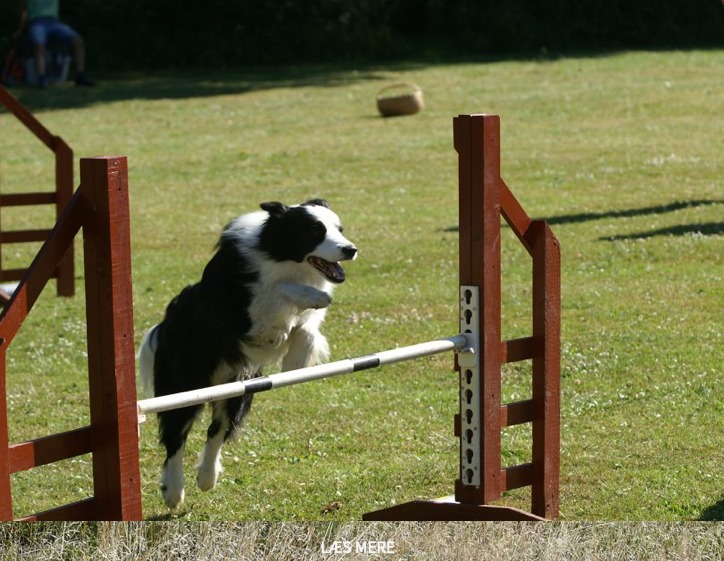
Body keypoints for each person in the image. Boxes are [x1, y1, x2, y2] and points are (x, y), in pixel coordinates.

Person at [20, 0, 94, 87]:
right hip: (37, 22)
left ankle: (80, 74)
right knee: (39, 45)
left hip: (54, 22)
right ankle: (41, 77)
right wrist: (21, 28)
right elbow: (24, 10)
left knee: (78, 40)